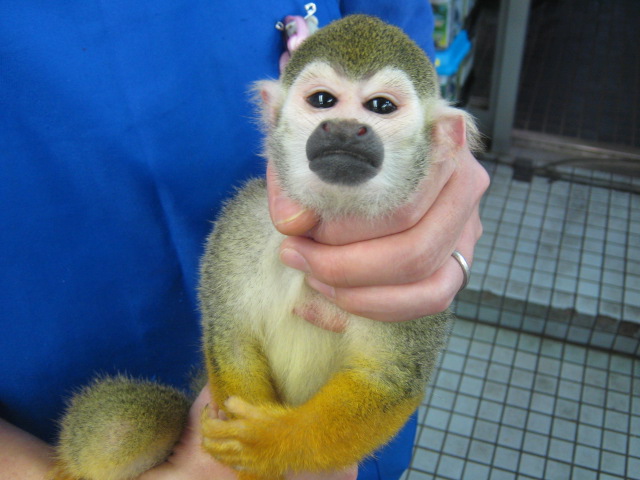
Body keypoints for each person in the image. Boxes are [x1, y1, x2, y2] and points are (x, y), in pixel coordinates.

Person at [0, 1, 489, 479]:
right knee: (115, 430)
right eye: (322, 100)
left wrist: (281, 443)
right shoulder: (246, 228)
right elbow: (232, 350)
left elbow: (387, 388)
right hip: (57, 390)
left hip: (326, 453)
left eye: (381, 106)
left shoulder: (403, 254)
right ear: (271, 113)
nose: (346, 127)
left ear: (442, 139)